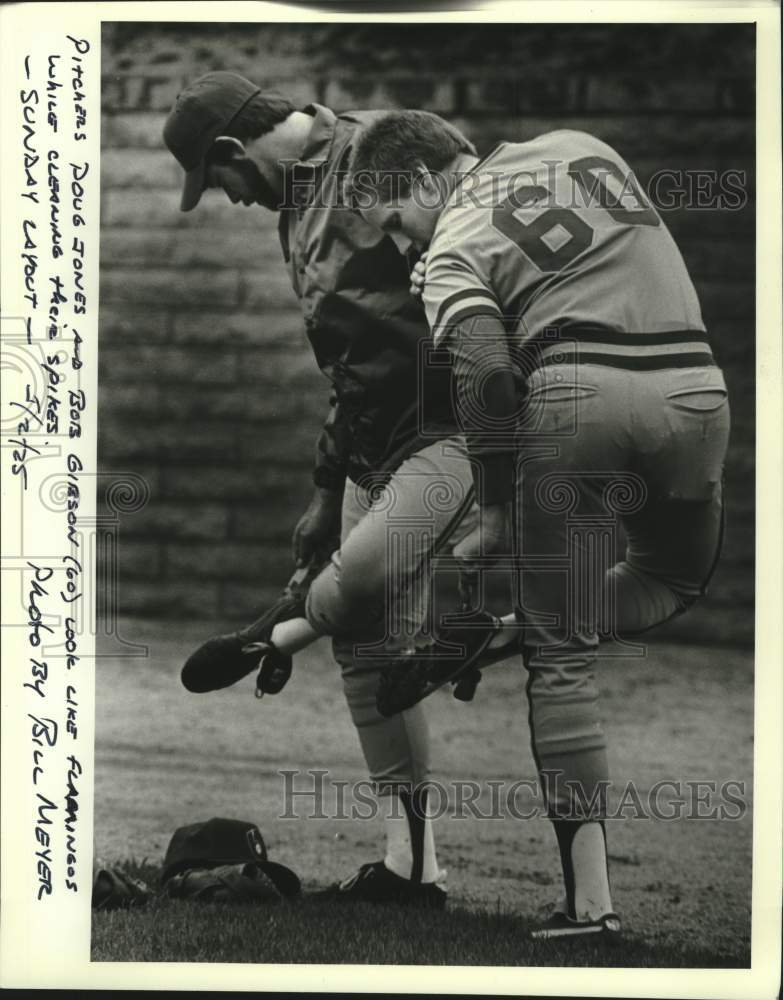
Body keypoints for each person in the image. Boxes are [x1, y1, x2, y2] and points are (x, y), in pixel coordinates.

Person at [348, 111, 730, 936]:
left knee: (564, 661)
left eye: (394, 223)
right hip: (696, 387)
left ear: (422, 182)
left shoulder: (449, 241)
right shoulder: (583, 146)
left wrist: (490, 509)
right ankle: (520, 620)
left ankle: (591, 906)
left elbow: (487, 381)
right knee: (672, 580)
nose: (400, 247)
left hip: (579, 403)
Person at [162, 73, 519, 907]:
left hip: (452, 431)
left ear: (228, 150)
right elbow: (348, 365)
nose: (227, 199)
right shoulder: (293, 205)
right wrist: (326, 487)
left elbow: (484, 285)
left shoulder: (382, 153)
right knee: (367, 653)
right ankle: (411, 869)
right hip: (371, 450)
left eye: (218, 180)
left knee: (356, 596)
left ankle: (278, 631)